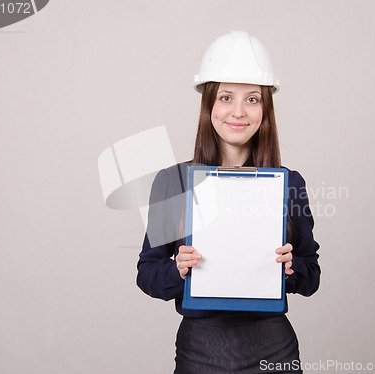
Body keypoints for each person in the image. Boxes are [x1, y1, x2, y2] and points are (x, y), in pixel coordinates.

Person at [137, 30, 320, 374]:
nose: (238, 111)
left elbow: (312, 274)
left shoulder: (288, 183)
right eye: (225, 97)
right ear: (208, 104)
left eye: (252, 99)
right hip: (201, 350)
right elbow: (147, 273)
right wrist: (178, 268)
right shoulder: (173, 182)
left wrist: (292, 269)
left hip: (273, 350)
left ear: (266, 109)